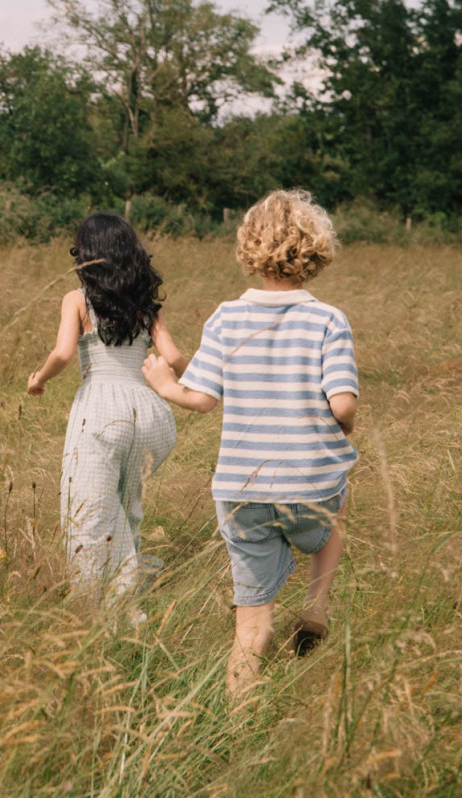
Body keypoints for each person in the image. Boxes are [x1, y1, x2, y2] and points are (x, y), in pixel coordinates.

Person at [143, 190, 359, 692]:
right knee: (340, 502)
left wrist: (163, 384)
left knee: (251, 624)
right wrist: (342, 426)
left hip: (240, 491)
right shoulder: (328, 320)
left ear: (249, 248)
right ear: (314, 248)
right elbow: (343, 405)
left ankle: (239, 719)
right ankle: (316, 605)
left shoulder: (224, 317)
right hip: (310, 484)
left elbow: (199, 398)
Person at [27, 212, 187, 602]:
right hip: (150, 415)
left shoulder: (77, 299)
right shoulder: (146, 304)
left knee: (87, 511)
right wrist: (207, 385)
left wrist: (39, 378)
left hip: (101, 410)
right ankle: (129, 587)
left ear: (86, 255)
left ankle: (102, 604)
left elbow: (64, 353)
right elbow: (174, 356)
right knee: (125, 506)